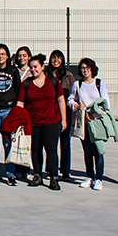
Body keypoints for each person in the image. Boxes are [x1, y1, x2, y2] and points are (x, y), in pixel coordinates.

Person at [17, 54, 66, 191]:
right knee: (35, 149)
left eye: (36, 67)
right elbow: (20, 103)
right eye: (31, 67)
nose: (33, 70)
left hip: (51, 122)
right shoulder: (26, 84)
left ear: (43, 67)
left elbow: (61, 100)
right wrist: (20, 121)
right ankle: (37, 175)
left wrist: (64, 120)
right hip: (33, 123)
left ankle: (54, 177)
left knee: (51, 150)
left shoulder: (53, 81)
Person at [68, 58, 109, 191]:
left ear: (92, 69)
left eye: (88, 67)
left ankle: (99, 178)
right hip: (84, 122)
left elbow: (105, 103)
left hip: (97, 122)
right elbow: (70, 99)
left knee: (98, 150)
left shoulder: (99, 83)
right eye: (83, 68)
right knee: (87, 151)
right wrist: (76, 106)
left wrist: (94, 115)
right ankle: (89, 176)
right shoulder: (77, 84)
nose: (85, 70)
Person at [0, 43, 21, 186]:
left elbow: (18, 90)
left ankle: (10, 174)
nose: (0, 57)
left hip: (8, 110)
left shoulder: (13, 70)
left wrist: (15, 111)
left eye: (2, 54)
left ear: (7, 56)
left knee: (8, 144)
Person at [49, 49, 75, 181]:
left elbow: (73, 93)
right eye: (54, 57)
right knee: (51, 144)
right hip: (50, 113)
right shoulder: (46, 74)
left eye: (59, 57)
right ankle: (51, 170)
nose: (56, 60)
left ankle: (65, 172)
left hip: (65, 114)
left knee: (65, 144)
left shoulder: (68, 75)